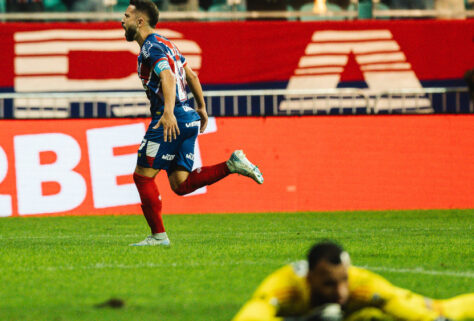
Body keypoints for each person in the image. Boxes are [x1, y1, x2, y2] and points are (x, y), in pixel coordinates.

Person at [121, 0, 264, 247]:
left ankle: (158, 237)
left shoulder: (150, 48)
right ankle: (231, 165)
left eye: (126, 16)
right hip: (188, 117)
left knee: (143, 177)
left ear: (140, 21)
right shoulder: (168, 44)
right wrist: (202, 108)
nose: (122, 21)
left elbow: (166, 76)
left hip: (171, 118)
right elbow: (192, 75)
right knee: (181, 184)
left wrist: (167, 113)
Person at [233, 241, 474, 321]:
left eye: (343, 281)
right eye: (329, 284)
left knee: (440, 308)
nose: (341, 292)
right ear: (310, 278)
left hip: (359, 315)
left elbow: (400, 303)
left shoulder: (362, 285)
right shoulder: (286, 286)